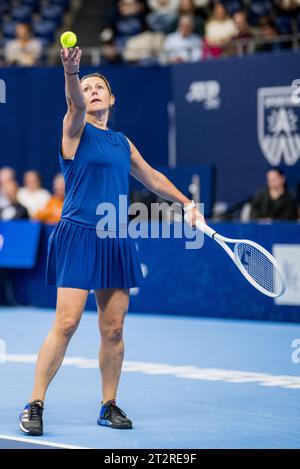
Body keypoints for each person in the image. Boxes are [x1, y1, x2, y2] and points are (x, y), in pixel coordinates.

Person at [19, 46, 205, 436]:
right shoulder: (74, 127)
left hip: (115, 236)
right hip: (78, 233)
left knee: (114, 328)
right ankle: (34, 402)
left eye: (99, 86)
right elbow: (72, 103)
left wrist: (188, 203)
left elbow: (151, 177)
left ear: (112, 98)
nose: (92, 91)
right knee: (67, 322)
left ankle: (109, 404)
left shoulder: (122, 142)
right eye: (87, 88)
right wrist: (72, 73)